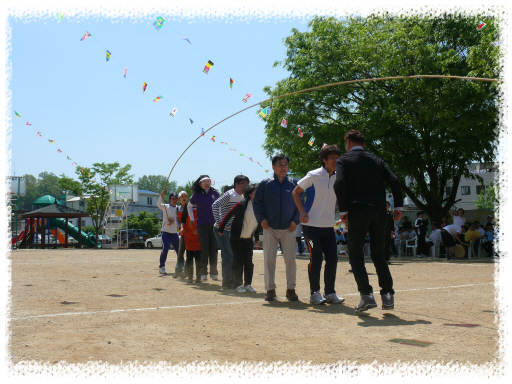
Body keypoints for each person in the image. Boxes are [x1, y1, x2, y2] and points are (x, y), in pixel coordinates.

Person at [334, 129, 403, 313]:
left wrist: (343, 211)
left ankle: (367, 295)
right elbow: (394, 181)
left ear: (348, 142)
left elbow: (339, 183)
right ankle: (387, 296)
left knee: (355, 253)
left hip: (358, 210)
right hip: (380, 211)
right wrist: (398, 207)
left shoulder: (344, 160)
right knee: (378, 254)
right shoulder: (377, 159)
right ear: (363, 144)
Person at [292, 144, 345, 305]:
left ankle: (330, 292)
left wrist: (343, 216)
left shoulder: (340, 176)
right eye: (332, 158)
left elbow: (342, 197)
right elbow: (296, 192)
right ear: (324, 160)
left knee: (333, 259)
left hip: (329, 227)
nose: (335, 161)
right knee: (316, 259)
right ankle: (314, 293)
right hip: (311, 227)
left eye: (337, 158)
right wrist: (302, 212)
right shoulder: (313, 175)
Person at [253, 154, 301, 302]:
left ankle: (291, 289)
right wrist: (262, 219)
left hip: (289, 228)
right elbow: (256, 203)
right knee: (269, 259)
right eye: (280, 164)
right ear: (273, 166)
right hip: (269, 228)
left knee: (290, 260)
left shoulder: (294, 184)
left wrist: (295, 220)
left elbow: (301, 204)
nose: (283, 167)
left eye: (285, 164)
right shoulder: (265, 184)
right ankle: (270, 290)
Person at [218, 184, 261, 293]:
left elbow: (257, 223)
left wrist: (256, 237)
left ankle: (248, 284)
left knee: (248, 262)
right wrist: (221, 229)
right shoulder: (242, 204)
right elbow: (228, 215)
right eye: (256, 192)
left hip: (248, 238)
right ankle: (238, 285)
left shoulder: (260, 206)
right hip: (236, 237)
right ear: (250, 194)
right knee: (238, 261)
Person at [212, 175, 250, 289]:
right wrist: (220, 225)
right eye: (242, 184)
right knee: (228, 255)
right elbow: (215, 205)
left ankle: (233, 279)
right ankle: (227, 281)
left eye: (246, 184)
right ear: (236, 185)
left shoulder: (245, 196)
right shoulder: (229, 194)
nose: (244, 186)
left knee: (235, 256)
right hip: (223, 231)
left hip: (235, 231)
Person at [188, 175, 220, 282]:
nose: (207, 183)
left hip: (214, 225)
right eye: (204, 181)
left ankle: (214, 272)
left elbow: (220, 207)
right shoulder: (197, 195)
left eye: (208, 181)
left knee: (214, 249)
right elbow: (189, 206)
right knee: (205, 249)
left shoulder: (215, 194)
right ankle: (203, 273)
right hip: (202, 225)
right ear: (200, 184)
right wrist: (192, 218)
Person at [177, 191, 201, 283]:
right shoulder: (187, 207)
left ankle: (198, 277)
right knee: (189, 258)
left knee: (198, 259)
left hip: (198, 236)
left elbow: (203, 220)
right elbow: (183, 220)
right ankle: (190, 277)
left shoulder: (201, 207)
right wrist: (182, 228)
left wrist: (198, 230)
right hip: (188, 236)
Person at [157, 191, 180, 275]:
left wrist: (173, 221)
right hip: (165, 232)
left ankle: (181, 265)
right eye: (173, 199)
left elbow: (179, 221)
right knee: (165, 249)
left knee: (179, 250)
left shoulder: (178, 208)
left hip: (174, 233)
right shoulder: (165, 207)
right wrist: (161, 196)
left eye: (176, 199)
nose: (174, 200)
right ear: (170, 200)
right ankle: (161, 267)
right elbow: (158, 205)